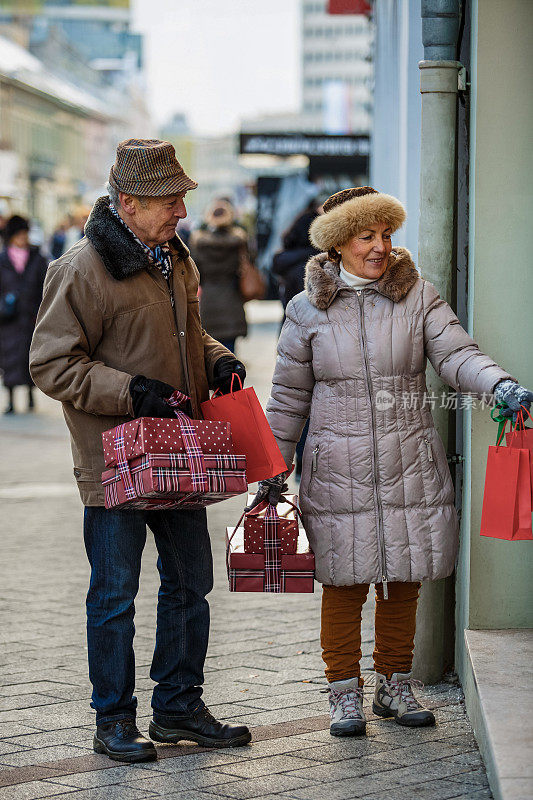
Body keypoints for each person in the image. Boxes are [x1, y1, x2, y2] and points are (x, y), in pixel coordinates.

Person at [249, 186, 533, 737]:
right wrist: (271, 467)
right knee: (344, 581)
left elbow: (456, 354)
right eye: (366, 236)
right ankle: (343, 694)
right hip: (339, 466)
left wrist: (499, 386)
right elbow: (288, 398)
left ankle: (395, 684)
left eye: (385, 235)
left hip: (409, 459)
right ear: (338, 244)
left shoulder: (416, 297)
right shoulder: (306, 310)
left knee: (404, 577)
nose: (379, 247)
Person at [29, 139, 250, 763]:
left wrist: (217, 359)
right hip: (117, 461)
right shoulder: (79, 269)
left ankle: (178, 707)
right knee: (114, 595)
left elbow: (187, 331)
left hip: (178, 453)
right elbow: (51, 363)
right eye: (169, 200)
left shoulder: (175, 256)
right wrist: (133, 391)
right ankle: (114, 720)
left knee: (190, 584)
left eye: (182, 197)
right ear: (128, 202)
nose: (181, 209)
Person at [0, 215, 48, 414]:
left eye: (24, 234)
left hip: (32, 318)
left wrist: (42, 312)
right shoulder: (2, 259)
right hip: (8, 320)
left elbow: (46, 286)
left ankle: (30, 396)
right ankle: (10, 400)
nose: (22, 238)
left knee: (31, 358)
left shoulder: (37, 257)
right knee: (9, 358)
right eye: (18, 235)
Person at [189, 199, 248, 354]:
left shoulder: (198, 242)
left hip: (209, 302)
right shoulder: (239, 241)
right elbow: (249, 262)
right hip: (231, 300)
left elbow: (194, 272)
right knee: (230, 354)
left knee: (210, 353)